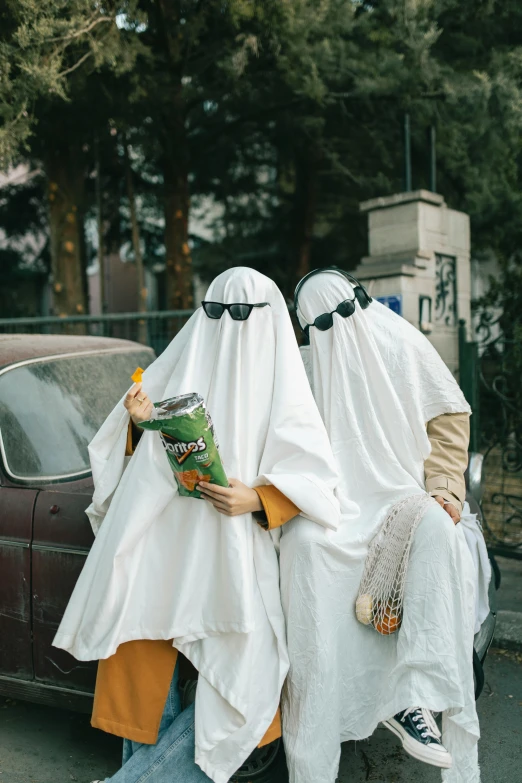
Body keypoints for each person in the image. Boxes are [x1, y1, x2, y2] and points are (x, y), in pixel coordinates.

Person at [53, 267, 346, 783]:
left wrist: (258, 497)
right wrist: (138, 422)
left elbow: (317, 478)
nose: (227, 325)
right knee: (147, 690)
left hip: (234, 558)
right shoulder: (183, 363)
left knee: (246, 689)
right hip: (157, 550)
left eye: (241, 314)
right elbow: (123, 454)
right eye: (215, 312)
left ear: (267, 319)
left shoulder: (284, 385)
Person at [279, 267, 487, 783]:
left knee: (438, 532)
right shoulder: (305, 363)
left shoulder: (400, 342)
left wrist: (445, 488)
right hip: (333, 506)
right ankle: (318, 707)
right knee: (303, 548)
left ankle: (414, 699)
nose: (337, 328)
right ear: (307, 328)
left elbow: (449, 413)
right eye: (321, 323)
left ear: (359, 300)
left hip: (401, 496)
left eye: (343, 312)